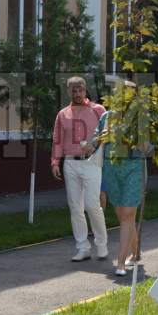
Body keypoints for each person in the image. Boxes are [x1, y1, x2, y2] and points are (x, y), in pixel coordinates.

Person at [91, 81, 152, 276]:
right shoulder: (107, 117)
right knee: (123, 216)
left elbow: (147, 147)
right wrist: (100, 136)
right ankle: (136, 254)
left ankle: (120, 264)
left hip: (134, 169)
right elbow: (94, 142)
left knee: (127, 215)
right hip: (112, 169)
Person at [51, 76, 108, 262]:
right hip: (70, 163)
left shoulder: (98, 110)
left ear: (85, 91)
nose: (77, 94)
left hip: (91, 161)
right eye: (73, 91)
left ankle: (101, 245)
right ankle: (83, 247)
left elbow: (109, 132)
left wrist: (96, 145)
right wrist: (54, 162)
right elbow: (57, 140)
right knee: (75, 207)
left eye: (80, 91)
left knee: (93, 205)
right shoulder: (63, 115)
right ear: (68, 92)